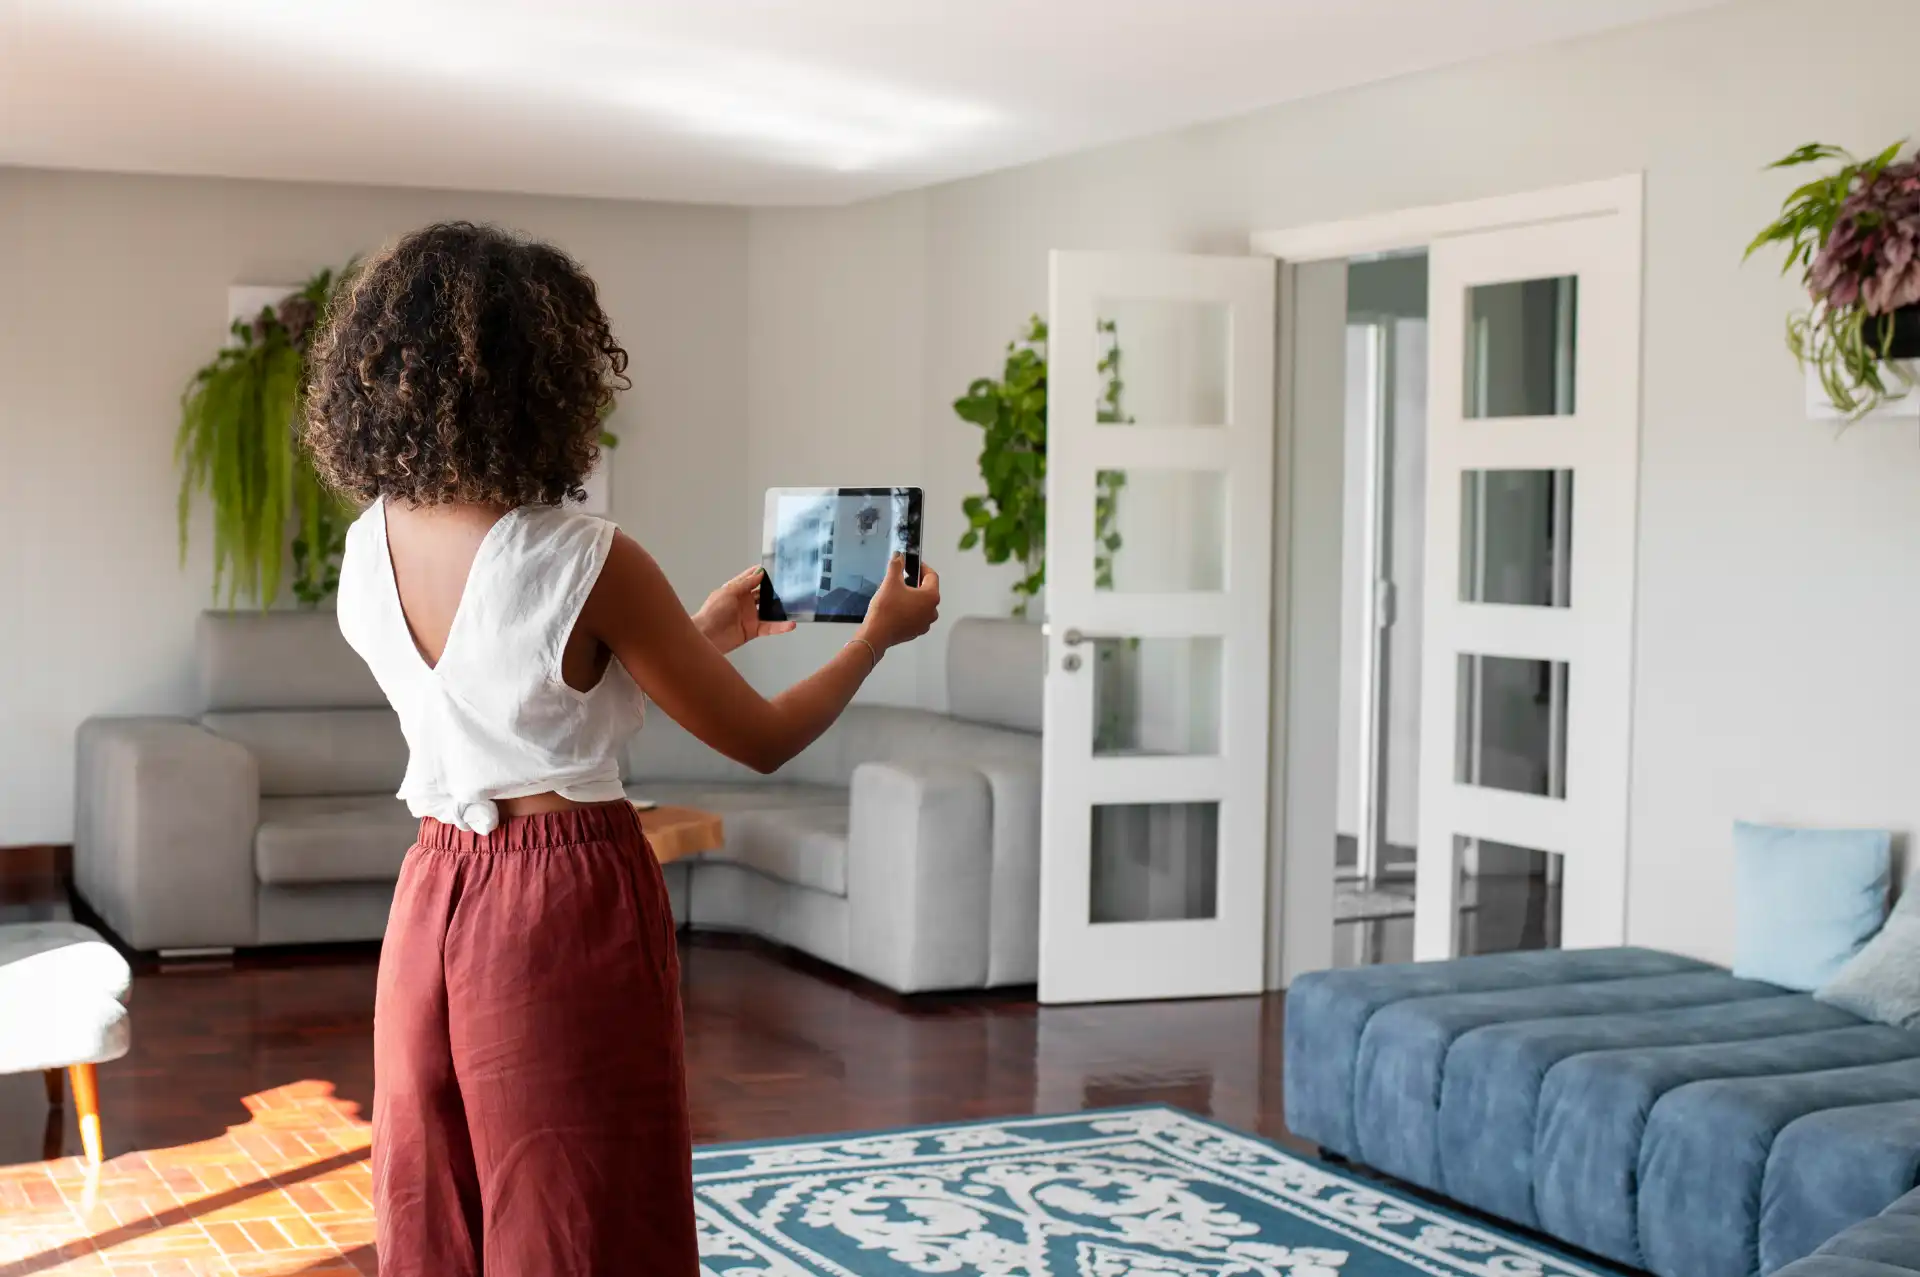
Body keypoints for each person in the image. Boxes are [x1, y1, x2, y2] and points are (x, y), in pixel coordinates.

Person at [301, 221, 940, 1275]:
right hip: (561, 897)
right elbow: (765, 739)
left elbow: (508, 696)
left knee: (437, 1205)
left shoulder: (368, 545)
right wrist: (877, 634)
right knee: (579, 1212)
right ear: (546, 378)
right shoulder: (585, 554)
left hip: (432, 892)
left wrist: (699, 632)